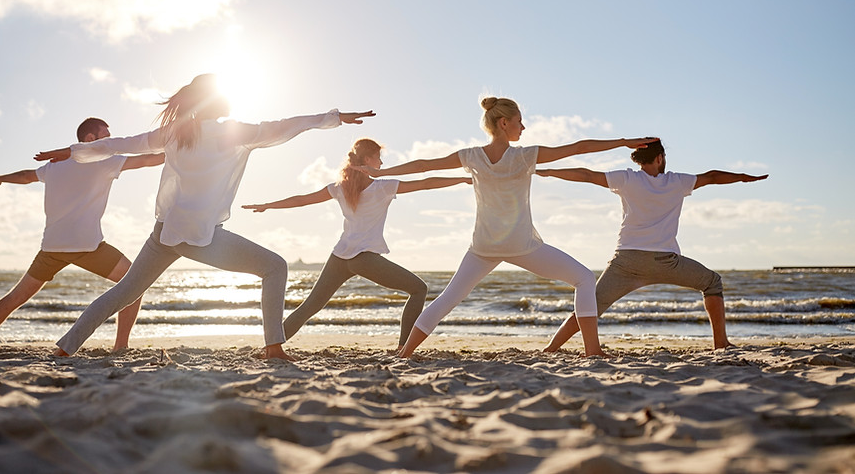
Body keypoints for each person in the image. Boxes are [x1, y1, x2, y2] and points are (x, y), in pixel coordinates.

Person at [34, 74, 375, 361]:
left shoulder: (176, 132)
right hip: (198, 235)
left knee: (124, 292)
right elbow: (286, 126)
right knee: (275, 267)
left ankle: (65, 349)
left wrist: (71, 152)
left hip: (165, 230)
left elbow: (120, 144)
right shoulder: (234, 132)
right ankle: (274, 348)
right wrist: (333, 118)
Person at [356, 97, 657, 358]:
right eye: (519, 122)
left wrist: (379, 172)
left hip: (484, 246)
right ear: (503, 124)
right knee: (582, 278)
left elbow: (423, 165)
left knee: (448, 298)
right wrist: (622, 142)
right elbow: (577, 147)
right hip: (521, 245)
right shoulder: (524, 156)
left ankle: (405, 353)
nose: (522, 128)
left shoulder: (471, 156)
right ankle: (592, 351)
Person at [539, 139, 768, 352]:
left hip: (627, 262)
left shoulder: (627, 179)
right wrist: (742, 177)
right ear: (659, 158)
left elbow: (586, 175)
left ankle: (551, 348)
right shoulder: (677, 182)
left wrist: (549, 172)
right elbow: (713, 176)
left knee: (591, 306)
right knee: (712, 283)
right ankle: (721, 343)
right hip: (665, 262)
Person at [242, 138, 471, 349]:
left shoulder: (340, 187)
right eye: (379, 157)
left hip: (340, 257)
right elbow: (426, 184)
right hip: (364, 258)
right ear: (368, 160)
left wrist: (268, 205)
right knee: (419, 289)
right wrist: (462, 179)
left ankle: (270, 348)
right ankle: (403, 350)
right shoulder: (382, 187)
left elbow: (302, 200)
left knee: (309, 307)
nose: (381, 162)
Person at [0, 118, 164, 353]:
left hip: (52, 248)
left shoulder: (56, 165)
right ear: (90, 139)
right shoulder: (105, 162)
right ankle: (120, 346)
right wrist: (184, 148)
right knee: (134, 284)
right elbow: (150, 159)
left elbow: (26, 175)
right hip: (88, 248)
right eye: (106, 137)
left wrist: (1, 178)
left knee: (15, 297)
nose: (110, 143)